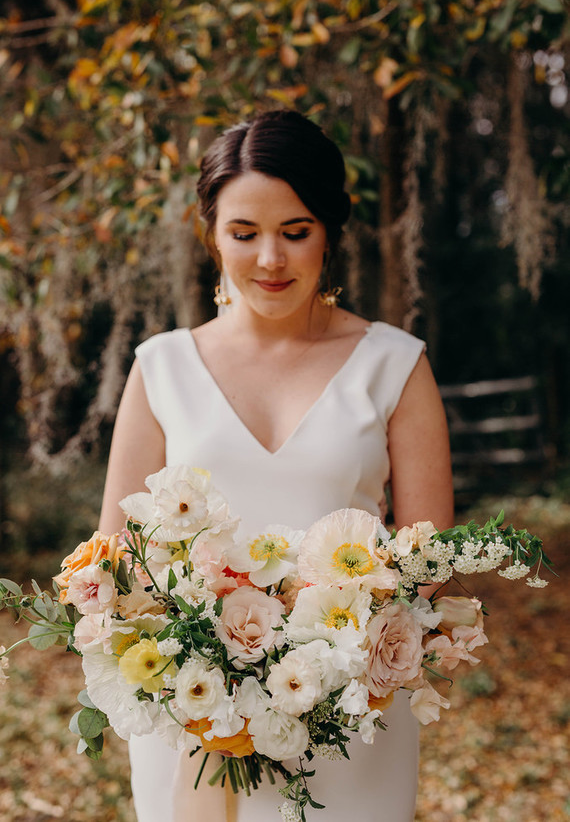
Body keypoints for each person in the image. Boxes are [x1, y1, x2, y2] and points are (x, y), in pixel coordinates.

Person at [99, 109, 454, 822]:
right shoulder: (160, 368)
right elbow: (116, 559)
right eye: (244, 234)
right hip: (194, 716)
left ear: (330, 231)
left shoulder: (395, 365)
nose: (270, 259)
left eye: (296, 232)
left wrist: (335, 654)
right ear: (210, 236)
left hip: (350, 721)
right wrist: (198, 658)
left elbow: (429, 562)